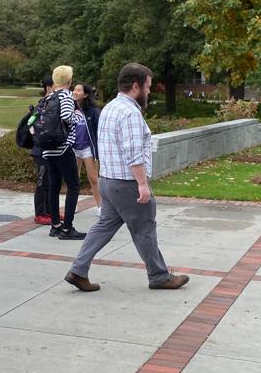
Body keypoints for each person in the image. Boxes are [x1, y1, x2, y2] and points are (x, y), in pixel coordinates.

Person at [64, 63, 189, 292]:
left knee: (104, 226)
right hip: (126, 183)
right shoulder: (130, 112)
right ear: (135, 86)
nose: (149, 92)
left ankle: (78, 270)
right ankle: (159, 276)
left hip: (108, 181)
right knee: (145, 228)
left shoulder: (110, 107)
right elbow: (133, 152)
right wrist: (142, 184)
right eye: (148, 87)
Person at [41, 66, 85, 240]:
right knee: (74, 185)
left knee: (54, 187)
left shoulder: (48, 97)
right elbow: (67, 116)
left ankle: (55, 225)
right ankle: (67, 228)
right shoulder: (66, 96)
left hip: (48, 149)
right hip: (63, 147)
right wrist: (77, 117)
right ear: (69, 81)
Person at [72, 82, 102, 213]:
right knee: (73, 179)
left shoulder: (93, 112)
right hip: (73, 148)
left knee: (93, 178)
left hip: (87, 149)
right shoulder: (70, 109)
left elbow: (100, 131)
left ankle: (101, 207)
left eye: (78, 90)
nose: (75, 92)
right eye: (74, 89)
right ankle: (72, 205)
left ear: (85, 95)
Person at [30, 76, 54, 225]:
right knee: (42, 182)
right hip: (41, 150)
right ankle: (40, 213)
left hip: (50, 150)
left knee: (51, 183)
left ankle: (50, 211)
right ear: (49, 87)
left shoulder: (52, 103)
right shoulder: (43, 105)